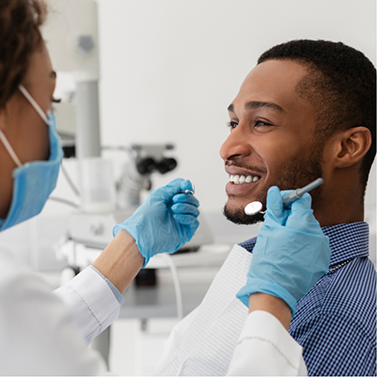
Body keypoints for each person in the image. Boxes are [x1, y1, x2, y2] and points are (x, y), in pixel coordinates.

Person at [0, 1, 331, 375]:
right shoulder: (12, 300)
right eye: (51, 101)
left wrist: (130, 249)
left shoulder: (341, 315)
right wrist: (272, 303)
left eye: (263, 122)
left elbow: (34, 340)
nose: (227, 149)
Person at [154, 40, 376, 376]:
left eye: (262, 123)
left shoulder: (332, 318)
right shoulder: (268, 270)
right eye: (233, 123)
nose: (227, 148)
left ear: (347, 147)